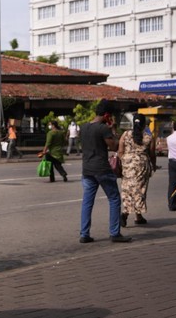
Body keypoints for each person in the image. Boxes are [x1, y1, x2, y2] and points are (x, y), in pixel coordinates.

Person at [79, 100, 131, 243]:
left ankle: (84, 234)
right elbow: (114, 147)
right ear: (107, 115)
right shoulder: (103, 129)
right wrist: (113, 129)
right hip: (102, 169)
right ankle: (114, 233)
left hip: (87, 169)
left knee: (87, 202)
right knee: (114, 199)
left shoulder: (83, 127)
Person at [117, 114, 156, 225]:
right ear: (144, 124)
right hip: (141, 166)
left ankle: (135, 216)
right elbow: (152, 154)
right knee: (139, 190)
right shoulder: (148, 137)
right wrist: (153, 165)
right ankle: (126, 214)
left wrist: (124, 163)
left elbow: (120, 151)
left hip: (127, 165)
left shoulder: (125, 134)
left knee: (128, 190)